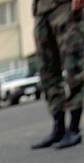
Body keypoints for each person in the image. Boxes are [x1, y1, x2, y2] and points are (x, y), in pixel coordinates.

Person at [32, 0, 84, 150]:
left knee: (74, 66)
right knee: (46, 70)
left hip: (64, 7)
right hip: (41, 10)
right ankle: (59, 127)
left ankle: (74, 128)